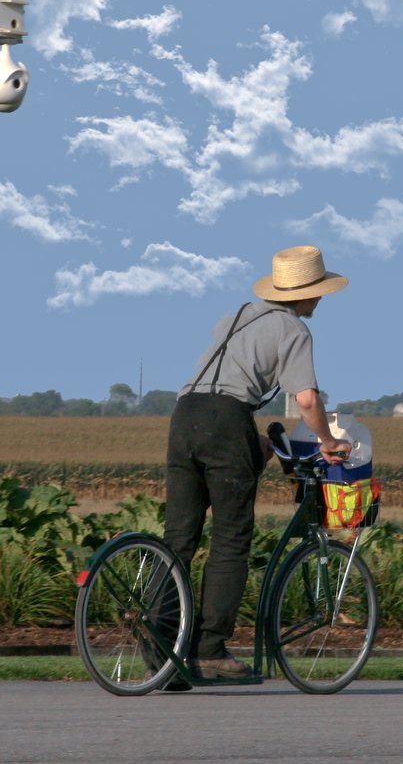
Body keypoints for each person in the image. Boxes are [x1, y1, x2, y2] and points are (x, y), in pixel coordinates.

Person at [165, 244, 352, 680]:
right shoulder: (294, 331)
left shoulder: (239, 315)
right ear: (304, 294)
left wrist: (254, 447)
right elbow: (305, 398)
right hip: (227, 419)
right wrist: (326, 441)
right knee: (231, 539)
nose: (321, 299)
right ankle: (210, 651)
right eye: (319, 292)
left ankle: (161, 651)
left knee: (179, 540)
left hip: (185, 414)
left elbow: (223, 385)